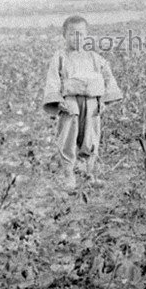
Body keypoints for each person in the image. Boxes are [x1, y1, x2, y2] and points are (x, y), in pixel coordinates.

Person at [42, 15, 122, 189]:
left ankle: (89, 174)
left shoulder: (95, 58)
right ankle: (69, 175)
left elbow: (107, 78)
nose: (77, 38)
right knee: (68, 138)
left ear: (87, 36)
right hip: (70, 101)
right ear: (64, 35)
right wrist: (57, 99)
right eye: (72, 34)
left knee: (91, 137)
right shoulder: (60, 57)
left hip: (92, 102)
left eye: (81, 34)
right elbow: (53, 80)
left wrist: (103, 100)